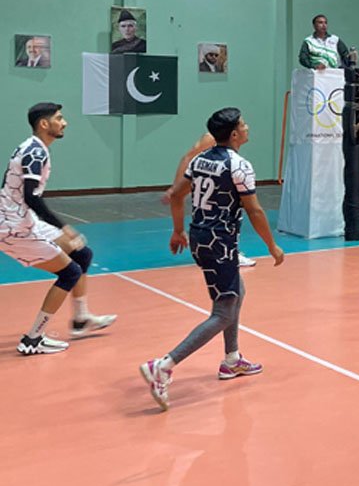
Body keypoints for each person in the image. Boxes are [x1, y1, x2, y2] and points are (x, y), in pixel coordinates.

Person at [140, 107, 285, 412]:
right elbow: (254, 210)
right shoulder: (239, 165)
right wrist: (272, 246)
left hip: (199, 236)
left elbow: (177, 194)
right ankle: (163, 366)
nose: (248, 127)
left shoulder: (200, 159)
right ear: (234, 134)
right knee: (223, 312)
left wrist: (177, 230)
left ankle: (232, 359)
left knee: (236, 292)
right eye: (243, 124)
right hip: (220, 243)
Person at [0, 103, 116, 354]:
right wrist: (64, 227)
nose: (65, 123)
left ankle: (81, 319)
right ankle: (32, 339)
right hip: (12, 229)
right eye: (59, 118)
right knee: (70, 272)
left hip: (23, 219)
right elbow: (31, 197)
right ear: (44, 124)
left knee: (82, 254)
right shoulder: (35, 152)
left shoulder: (33, 147)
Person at [161, 133, 259, 267]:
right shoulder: (212, 138)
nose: (246, 127)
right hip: (210, 183)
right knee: (225, 213)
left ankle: (226, 251)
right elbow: (188, 157)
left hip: (216, 182)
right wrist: (176, 187)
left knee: (229, 212)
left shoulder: (230, 148)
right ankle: (225, 252)